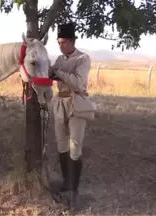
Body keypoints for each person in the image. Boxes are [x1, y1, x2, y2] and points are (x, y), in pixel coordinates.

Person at [49, 22, 97, 210]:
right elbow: (50, 73)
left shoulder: (83, 58)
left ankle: (74, 189)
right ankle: (66, 184)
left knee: (75, 146)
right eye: (58, 42)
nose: (60, 46)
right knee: (61, 146)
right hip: (60, 103)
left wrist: (58, 73)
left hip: (76, 104)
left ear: (71, 41)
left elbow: (79, 83)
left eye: (63, 42)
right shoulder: (59, 59)